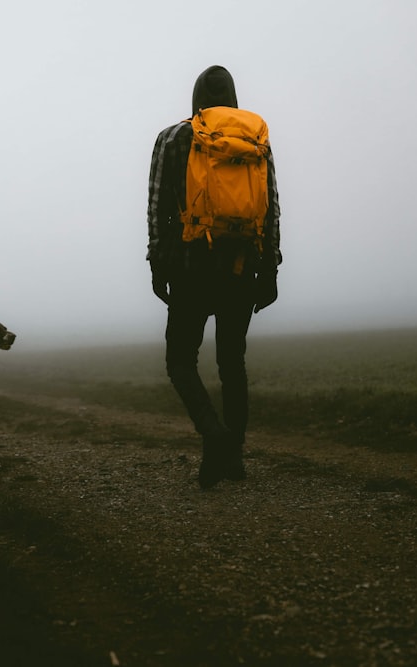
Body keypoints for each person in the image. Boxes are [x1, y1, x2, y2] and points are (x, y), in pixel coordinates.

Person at [146, 65, 282, 489]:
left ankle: (214, 435)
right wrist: (270, 267)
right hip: (242, 267)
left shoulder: (172, 137)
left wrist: (157, 263)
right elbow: (270, 206)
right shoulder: (255, 139)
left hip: (189, 267)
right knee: (232, 364)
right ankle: (233, 457)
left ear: (195, 98)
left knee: (181, 361)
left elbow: (157, 208)